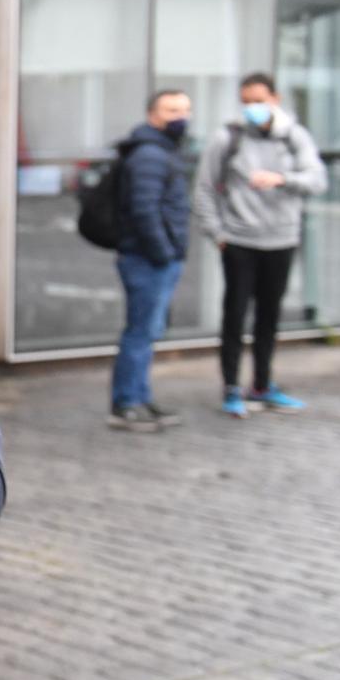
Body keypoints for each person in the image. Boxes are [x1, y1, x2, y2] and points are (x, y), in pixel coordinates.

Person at [192, 72, 327, 417]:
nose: (252, 107)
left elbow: (317, 179)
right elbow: (204, 189)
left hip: (281, 240)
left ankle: (263, 385)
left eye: (259, 100)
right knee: (235, 316)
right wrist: (218, 234)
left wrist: (282, 179)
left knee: (269, 316)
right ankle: (231, 388)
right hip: (239, 241)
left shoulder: (294, 136)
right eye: (246, 101)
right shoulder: (228, 137)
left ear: (274, 99)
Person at [108, 90, 193, 432]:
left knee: (147, 332)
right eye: (172, 110)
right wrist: (163, 252)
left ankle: (140, 399)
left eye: (185, 110)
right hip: (147, 259)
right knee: (140, 333)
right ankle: (126, 404)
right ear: (152, 115)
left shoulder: (162, 152)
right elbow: (145, 211)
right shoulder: (149, 156)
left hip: (157, 258)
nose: (181, 117)